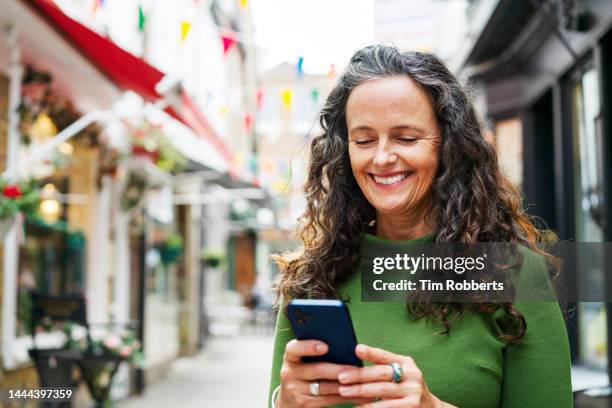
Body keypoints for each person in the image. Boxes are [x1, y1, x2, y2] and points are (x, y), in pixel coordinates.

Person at [268, 45, 572, 408]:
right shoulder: (312, 278)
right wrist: (283, 402)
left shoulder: (513, 273)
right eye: (363, 140)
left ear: (450, 145)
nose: (381, 158)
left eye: (407, 138)